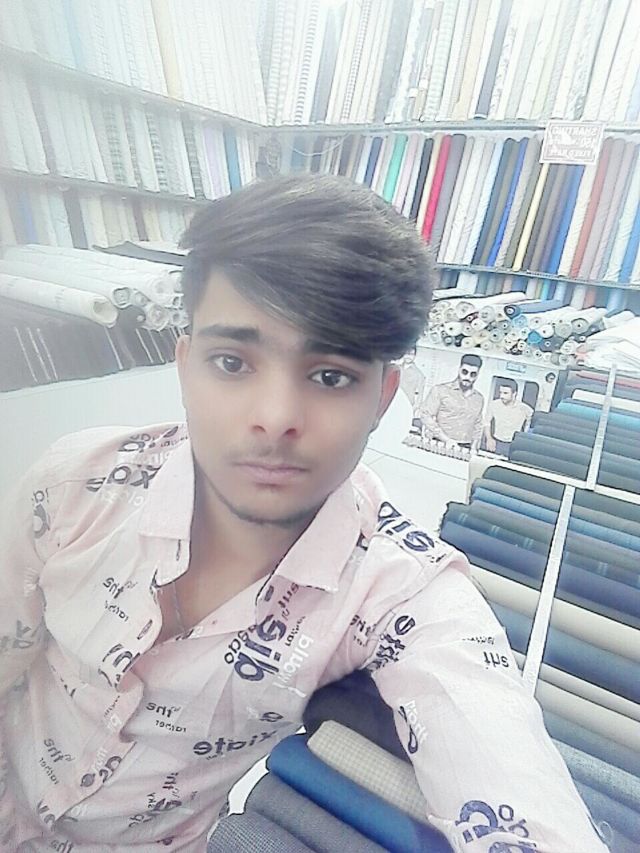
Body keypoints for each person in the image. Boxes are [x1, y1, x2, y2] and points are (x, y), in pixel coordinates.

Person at [0, 175, 606, 852]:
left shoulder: (397, 587)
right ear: (185, 364)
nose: (275, 418)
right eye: (232, 362)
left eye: (330, 376)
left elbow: (501, 756)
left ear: (383, 398)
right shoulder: (77, 486)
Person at [418, 353, 485, 450]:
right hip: (440, 442)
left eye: (473, 374)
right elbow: (425, 414)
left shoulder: (479, 398)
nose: (468, 377)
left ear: (477, 375)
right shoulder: (440, 390)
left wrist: (474, 447)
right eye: (465, 372)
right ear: (459, 369)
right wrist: (445, 439)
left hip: (465, 446)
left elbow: (478, 425)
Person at [483, 377, 534, 455]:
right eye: (500, 392)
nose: (501, 396)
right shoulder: (494, 405)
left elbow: (530, 427)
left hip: (514, 445)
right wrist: (489, 439)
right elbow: (486, 423)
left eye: (505, 393)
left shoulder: (525, 409)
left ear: (514, 393)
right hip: (496, 443)